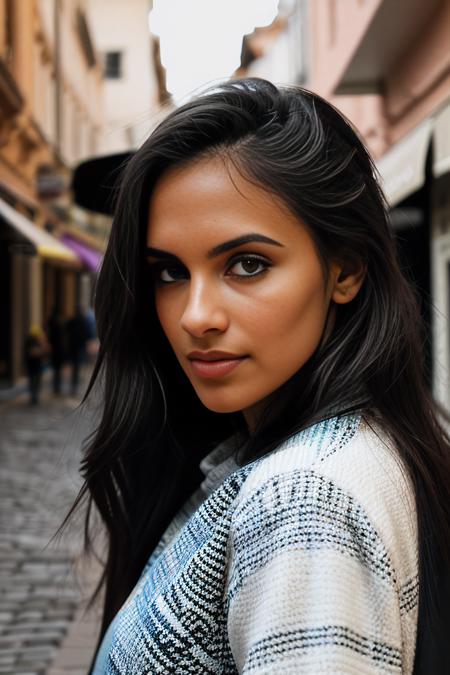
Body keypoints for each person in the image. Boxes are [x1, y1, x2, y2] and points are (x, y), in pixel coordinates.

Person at [61, 79, 450, 673]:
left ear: (344, 270)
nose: (195, 317)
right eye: (168, 272)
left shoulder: (303, 498)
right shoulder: (350, 446)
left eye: (247, 264)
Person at [65, 305, 90, 396]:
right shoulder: (83, 321)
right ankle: (75, 385)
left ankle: (73, 385)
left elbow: (66, 330)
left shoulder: (72, 320)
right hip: (80, 347)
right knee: (77, 365)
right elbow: (87, 333)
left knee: (74, 365)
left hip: (73, 347)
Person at [23, 324, 48, 405]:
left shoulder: (38, 340)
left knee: (34, 381)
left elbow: (45, 351)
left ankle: (34, 396)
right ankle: (33, 396)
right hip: (34, 365)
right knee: (34, 381)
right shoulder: (31, 341)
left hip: (35, 365)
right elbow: (32, 352)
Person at [46, 305, 66, 395]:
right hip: (58, 349)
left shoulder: (50, 321)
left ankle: (56, 387)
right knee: (58, 370)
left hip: (54, 348)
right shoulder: (59, 322)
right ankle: (57, 388)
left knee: (55, 369)